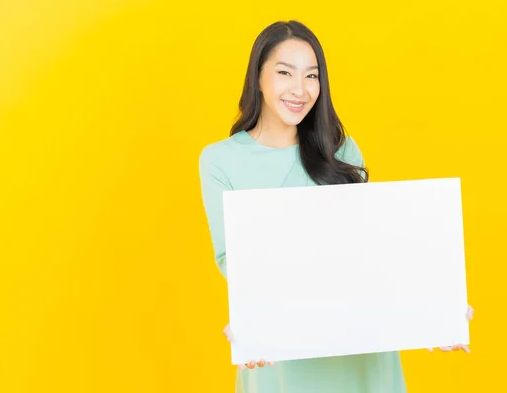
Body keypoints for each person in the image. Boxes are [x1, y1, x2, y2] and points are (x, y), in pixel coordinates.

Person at [198, 20, 475, 393]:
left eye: (311, 76)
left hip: (362, 355)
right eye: (284, 73)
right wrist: (255, 316)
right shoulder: (220, 160)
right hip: (283, 352)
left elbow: (371, 252)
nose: (300, 89)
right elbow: (232, 258)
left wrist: (430, 312)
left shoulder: (341, 151)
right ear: (258, 77)